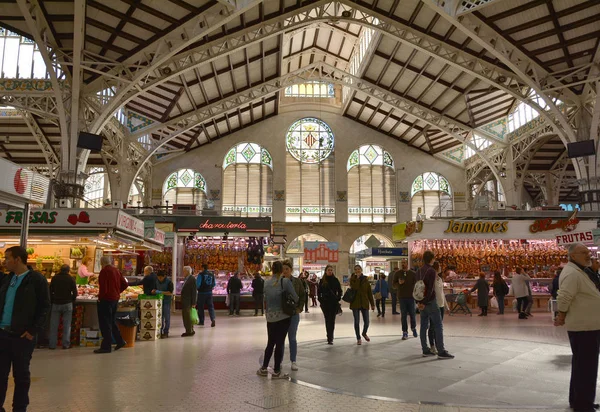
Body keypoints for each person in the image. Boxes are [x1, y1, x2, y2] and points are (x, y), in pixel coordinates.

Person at [0, 246, 50, 412]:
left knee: (21, 376)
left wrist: (33, 330)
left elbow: (45, 307)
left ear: (18, 259)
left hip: (22, 337)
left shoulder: (36, 280)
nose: (4, 261)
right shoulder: (9, 279)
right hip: (3, 334)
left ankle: (19, 408)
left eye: (7, 258)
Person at [555, 243, 600, 412]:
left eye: (588, 252)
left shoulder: (578, 270)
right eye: (583, 252)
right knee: (587, 367)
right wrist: (561, 315)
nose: (588, 255)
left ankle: (579, 399)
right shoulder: (572, 273)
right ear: (572, 256)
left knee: (582, 365)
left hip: (587, 325)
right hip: (584, 327)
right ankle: (583, 404)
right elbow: (564, 296)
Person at [257, 261, 298, 379]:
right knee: (280, 343)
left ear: (272, 270)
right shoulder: (284, 281)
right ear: (281, 270)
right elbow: (295, 297)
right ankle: (276, 371)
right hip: (283, 317)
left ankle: (264, 368)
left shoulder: (266, 282)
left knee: (270, 342)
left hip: (270, 317)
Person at [416, 250, 454, 359]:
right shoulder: (431, 271)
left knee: (424, 326)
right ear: (432, 259)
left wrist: (419, 302)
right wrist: (425, 302)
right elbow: (431, 289)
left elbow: (416, 287)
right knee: (438, 325)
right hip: (430, 302)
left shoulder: (418, 271)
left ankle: (425, 349)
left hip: (421, 302)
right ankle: (441, 351)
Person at [95, 256, 128, 354]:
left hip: (106, 300)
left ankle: (106, 346)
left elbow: (103, 287)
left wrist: (100, 298)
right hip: (115, 299)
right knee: (112, 321)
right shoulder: (116, 270)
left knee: (105, 323)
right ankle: (120, 341)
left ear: (102, 263)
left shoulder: (104, 271)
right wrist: (117, 291)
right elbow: (125, 284)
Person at [283, 261, 305, 371]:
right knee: (280, 339)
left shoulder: (297, 282)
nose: (284, 271)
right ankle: (280, 361)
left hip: (293, 313)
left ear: (291, 270)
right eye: (283, 269)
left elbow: (302, 295)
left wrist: (299, 308)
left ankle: (293, 360)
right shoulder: (279, 281)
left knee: (292, 338)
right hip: (282, 314)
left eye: (287, 269)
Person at [48, 264, 77, 349]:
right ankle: (65, 344)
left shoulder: (55, 278)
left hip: (56, 303)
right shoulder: (71, 279)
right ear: (68, 270)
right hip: (67, 304)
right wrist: (72, 300)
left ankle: (52, 344)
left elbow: (50, 291)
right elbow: (75, 292)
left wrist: (52, 300)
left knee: (53, 325)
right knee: (67, 326)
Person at [350, 265, 375, 345]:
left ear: (361, 270)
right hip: (355, 303)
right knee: (356, 322)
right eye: (356, 269)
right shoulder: (352, 279)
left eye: (358, 269)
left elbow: (369, 292)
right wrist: (357, 278)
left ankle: (364, 333)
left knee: (367, 322)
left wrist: (372, 304)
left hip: (364, 302)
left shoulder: (365, 279)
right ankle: (358, 338)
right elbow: (355, 287)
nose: (357, 271)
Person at [318, 265, 342, 344]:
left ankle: (330, 337)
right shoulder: (322, 281)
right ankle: (329, 335)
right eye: (329, 270)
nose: (330, 271)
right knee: (327, 320)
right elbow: (319, 292)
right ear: (326, 271)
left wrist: (338, 298)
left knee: (332, 320)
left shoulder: (335, 280)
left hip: (333, 303)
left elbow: (340, 290)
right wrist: (320, 300)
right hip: (325, 303)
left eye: (331, 270)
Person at [396, 260, 418, 340]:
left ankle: (413, 328)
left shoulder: (413, 274)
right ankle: (404, 332)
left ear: (407, 264)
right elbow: (393, 285)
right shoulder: (398, 273)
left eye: (404, 263)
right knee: (403, 315)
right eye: (401, 263)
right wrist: (399, 283)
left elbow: (416, 285)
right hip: (402, 297)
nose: (402, 264)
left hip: (411, 297)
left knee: (412, 314)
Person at [428, 262, 446, 354]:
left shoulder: (439, 279)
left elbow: (441, 293)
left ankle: (439, 346)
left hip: (441, 305)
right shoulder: (432, 279)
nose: (441, 268)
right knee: (432, 327)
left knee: (439, 327)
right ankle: (432, 346)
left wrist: (445, 304)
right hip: (434, 305)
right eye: (439, 266)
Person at [156, 270, 173, 338]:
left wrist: (160, 292)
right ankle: (159, 330)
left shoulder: (169, 282)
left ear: (164, 276)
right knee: (160, 317)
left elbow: (170, 292)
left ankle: (166, 332)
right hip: (159, 301)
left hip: (166, 301)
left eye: (161, 277)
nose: (159, 279)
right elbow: (155, 288)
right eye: (158, 277)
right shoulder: (156, 281)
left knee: (167, 317)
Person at [180, 266, 197, 337]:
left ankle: (188, 331)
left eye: (183, 271)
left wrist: (193, 302)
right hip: (185, 300)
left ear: (187, 271)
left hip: (188, 301)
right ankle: (190, 329)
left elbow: (194, 291)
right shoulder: (187, 279)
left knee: (187, 316)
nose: (183, 272)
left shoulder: (192, 279)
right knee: (187, 316)